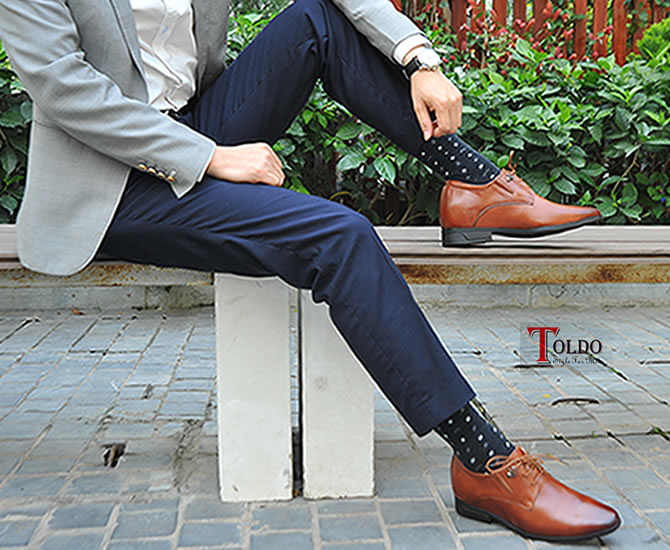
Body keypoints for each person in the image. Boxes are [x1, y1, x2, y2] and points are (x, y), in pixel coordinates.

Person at [0, 0, 619, 542]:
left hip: (197, 124)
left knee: (315, 20)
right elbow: (64, 88)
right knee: (341, 236)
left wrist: (420, 60)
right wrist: (209, 156)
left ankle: (475, 183)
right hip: (111, 186)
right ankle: (484, 461)